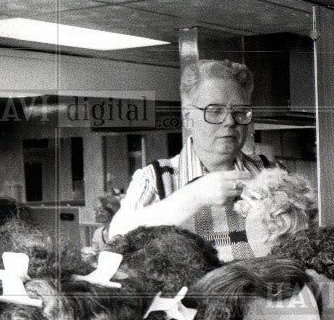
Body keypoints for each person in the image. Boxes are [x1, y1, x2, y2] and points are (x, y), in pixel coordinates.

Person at [105, 59, 264, 261]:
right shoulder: (154, 179)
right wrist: (196, 194)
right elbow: (115, 242)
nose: (230, 121)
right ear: (188, 117)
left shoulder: (268, 172)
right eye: (215, 111)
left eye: (240, 112)